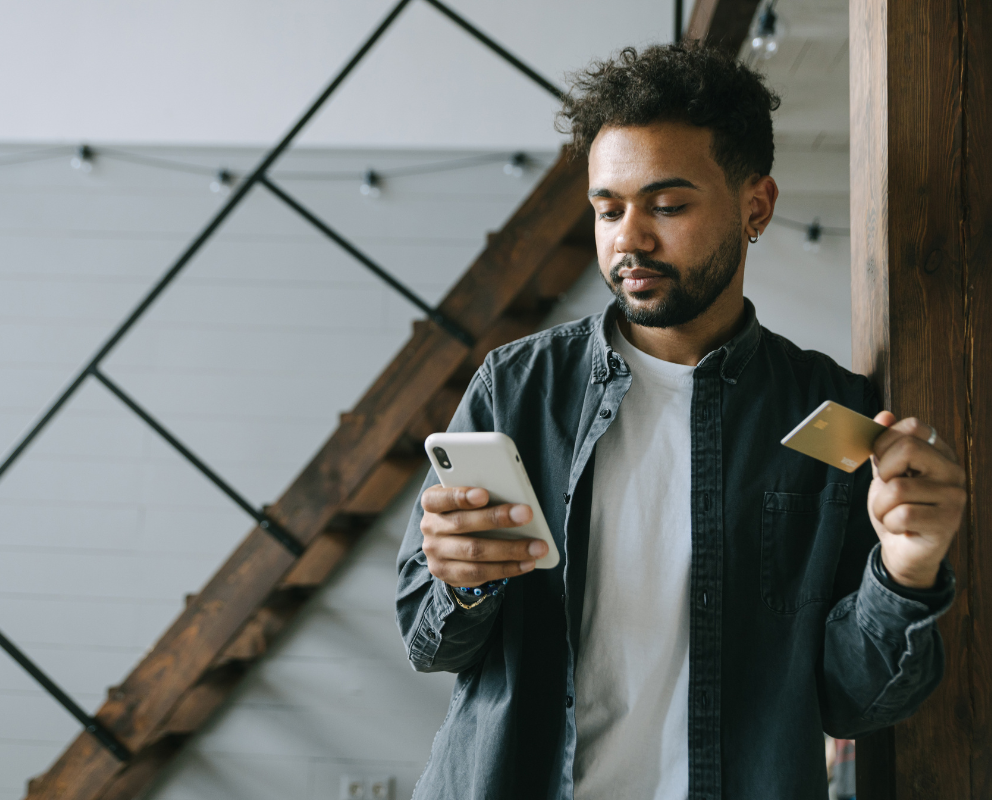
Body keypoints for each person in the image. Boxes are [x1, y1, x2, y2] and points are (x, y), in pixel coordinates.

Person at [395, 42, 966, 800]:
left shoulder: (834, 412)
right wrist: (460, 582)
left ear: (754, 205)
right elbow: (430, 643)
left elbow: (852, 701)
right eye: (608, 209)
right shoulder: (518, 387)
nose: (629, 238)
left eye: (666, 206)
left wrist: (909, 567)